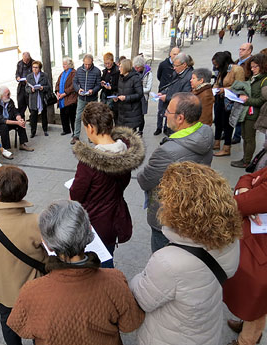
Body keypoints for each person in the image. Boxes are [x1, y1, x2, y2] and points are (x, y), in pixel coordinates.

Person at [131, 161, 241, 345]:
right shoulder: (229, 238)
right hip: (206, 327)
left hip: (172, 336)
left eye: (166, 196)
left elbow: (143, 299)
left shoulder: (169, 261)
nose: (162, 201)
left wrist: (135, 279)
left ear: (181, 208)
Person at [7, 200, 145, 345]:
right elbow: (130, 324)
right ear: (89, 231)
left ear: (47, 243)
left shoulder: (31, 291)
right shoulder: (115, 280)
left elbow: (21, 328)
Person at [223, 118, 267, 345]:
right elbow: (250, 176)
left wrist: (243, 191)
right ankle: (247, 324)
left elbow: (241, 203)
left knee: (260, 296)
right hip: (266, 241)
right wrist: (245, 186)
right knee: (257, 296)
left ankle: (248, 340)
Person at [0, 166, 46, 345]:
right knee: (40, 325)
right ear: (24, 191)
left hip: (1, 291)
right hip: (33, 291)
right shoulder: (37, 222)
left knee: (8, 323)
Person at [70, 102, 145, 267]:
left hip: (94, 223)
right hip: (115, 217)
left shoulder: (89, 162)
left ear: (90, 127)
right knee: (107, 256)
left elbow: (76, 195)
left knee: (97, 264)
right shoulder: (125, 152)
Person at [138, 93, 214, 252]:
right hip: (192, 208)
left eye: (169, 111)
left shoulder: (167, 151)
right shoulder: (205, 132)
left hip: (167, 217)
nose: (165, 113)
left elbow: (145, 180)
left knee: (161, 258)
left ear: (180, 118)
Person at [231, 54, 267, 169]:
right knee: (245, 136)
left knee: (249, 138)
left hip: (254, 113)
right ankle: (245, 158)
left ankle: (246, 160)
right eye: (251, 67)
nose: (253, 69)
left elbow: (262, 100)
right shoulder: (255, 78)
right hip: (247, 111)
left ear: (262, 66)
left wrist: (247, 100)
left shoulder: (266, 80)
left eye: (255, 67)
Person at [212, 51, 245, 156]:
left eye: (216, 64)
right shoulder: (223, 70)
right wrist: (214, 89)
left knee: (227, 124)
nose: (215, 66)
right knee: (217, 121)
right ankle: (216, 142)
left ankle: (227, 148)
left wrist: (224, 90)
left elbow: (240, 86)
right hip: (220, 99)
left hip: (230, 101)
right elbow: (217, 82)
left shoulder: (237, 69)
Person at [0, 86, 34, 152]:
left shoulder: (9, 101)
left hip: (5, 120)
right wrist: (16, 122)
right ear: (1, 95)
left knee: (20, 123)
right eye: (7, 94)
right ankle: (6, 149)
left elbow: (15, 111)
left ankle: (22, 144)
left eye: (9, 94)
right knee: (3, 126)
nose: (9, 96)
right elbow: (0, 120)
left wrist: (19, 119)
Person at [158, 53, 194, 136]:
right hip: (172, 109)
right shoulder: (178, 73)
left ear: (184, 64)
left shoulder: (189, 77)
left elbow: (185, 97)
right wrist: (164, 93)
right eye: (173, 65)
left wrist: (167, 98)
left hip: (179, 111)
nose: (174, 68)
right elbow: (173, 87)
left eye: (176, 66)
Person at [71, 54, 101, 144]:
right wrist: (78, 89)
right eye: (86, 64)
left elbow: (99, 84)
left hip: (92, 98)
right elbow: (75, 82)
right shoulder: (79, 70)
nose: (87, 66)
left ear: (92, 62)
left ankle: (91, 136)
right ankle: (76, 136)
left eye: (89, 64)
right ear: (83, 62)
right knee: (78, 117)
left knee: (92, 118)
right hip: (81, 98)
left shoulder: (97, 71)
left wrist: (93, 90)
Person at [114, 59, 144, 132]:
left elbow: (140, 94)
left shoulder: (135, 78)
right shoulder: (121, 77)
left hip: (132, 112)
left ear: (125, 68)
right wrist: (116, 97)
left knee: (131, 137)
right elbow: (120, 91)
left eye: (121, 67)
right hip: (122, 111)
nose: (119, 68)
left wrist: (126, 98)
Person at [155, 47, 180, 135]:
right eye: (174, 54)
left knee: (170, 110)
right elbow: (159, 76)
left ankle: (166, 127)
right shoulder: (163, 64)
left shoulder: (179, 65)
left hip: (172, 92)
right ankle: (158, 127)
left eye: (177, 54)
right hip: (162, 90)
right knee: (160, 110)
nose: (176, 56)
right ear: (170, 54)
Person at [233, 43, 254, 144]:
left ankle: (237, 135)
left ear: (249, 51)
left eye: (243, 49)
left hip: (244, 92)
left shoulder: (251, 63)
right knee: (234, 112)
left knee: (241, 114)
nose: (240, 51)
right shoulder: (237, 61)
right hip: (235, 90)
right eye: (240, 49)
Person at [25, 60, 51, 138]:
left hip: (42, 98)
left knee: (44, 115)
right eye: (33, 67)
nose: (34, 69)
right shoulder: (29, 76)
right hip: (33, 99)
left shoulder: (44, 75)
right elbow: (26, 88)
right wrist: (31, 90)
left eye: (36, 67)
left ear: (39, 68)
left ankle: (45, 129)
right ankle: (33, 132)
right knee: (33, 116)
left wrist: (43, 88)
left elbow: (49, 87)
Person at [55, 57, 77, 136]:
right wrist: (57, 92)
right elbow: (57, 83)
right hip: (61, 98)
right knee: (63, 115)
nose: (63, 66)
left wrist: (65, 93)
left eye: (65, 64)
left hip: (70, 98)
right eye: (63, 64)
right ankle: (66, 129)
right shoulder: (62, 73)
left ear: (69, 64)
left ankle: (75, 132)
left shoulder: (74, 73)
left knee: (72, 116)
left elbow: (73, 86)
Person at [133, 55, 153, 136]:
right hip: (134, 97)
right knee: (133, 114)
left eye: (138, 68)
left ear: (142, 66)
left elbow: (148, 88)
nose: (137, 69)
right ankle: (133, 130)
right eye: (135, 67)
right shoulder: (133, 72)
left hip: (143, 97)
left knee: (141, 115)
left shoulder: (148, 73)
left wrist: (138, 91)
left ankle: (140, 131)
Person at [100, 52, 120, 124]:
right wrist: (102, 82)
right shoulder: (105, 71)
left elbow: (120, 85)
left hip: (113, 95)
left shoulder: (117, 71)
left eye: (109, 63)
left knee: (114, 116)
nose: (107, 65)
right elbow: (103, 79)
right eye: (105, 63)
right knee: (105, 117)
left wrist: (111, 88)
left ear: (112, 61)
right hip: (105, 94)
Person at [15, 52, 34, 118]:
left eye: (27, 60)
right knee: (21, 105)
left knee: (31, 106)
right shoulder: (20, 63)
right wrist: (18, 78)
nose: (25, 62)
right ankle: (21, 121)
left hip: (29, 87)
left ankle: (32, 121)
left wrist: (29, 80)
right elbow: (17, 73)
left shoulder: (33, 63)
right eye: (24, 60)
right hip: (22, 87)